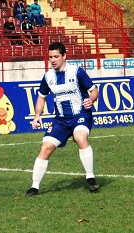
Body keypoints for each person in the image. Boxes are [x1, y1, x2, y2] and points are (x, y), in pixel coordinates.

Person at [26, 42, 100, 196]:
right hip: (61, 120)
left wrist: (91, 100)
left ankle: (91, 178)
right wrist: (37, 115)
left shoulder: (77, 72)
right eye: (50, 57)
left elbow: (94, 91)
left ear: (64, 56)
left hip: (80, 115)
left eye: (56, 56)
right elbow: (41, 97)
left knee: (80, 137)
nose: (53, 60)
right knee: (46, 147)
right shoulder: (48, 77)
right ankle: (34, 186)